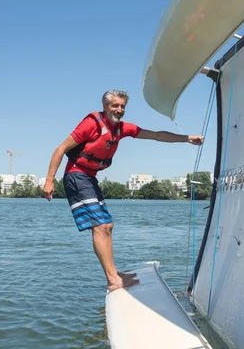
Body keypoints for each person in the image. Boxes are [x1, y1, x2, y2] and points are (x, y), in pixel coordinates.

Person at [42, 90, 204, 292]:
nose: (119, 110)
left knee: (107, 225)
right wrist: (50, 180)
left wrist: (187, 138)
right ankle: (113, 280)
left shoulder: (122, 129)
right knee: (100, 226)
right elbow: (60, 149)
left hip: (90, 178)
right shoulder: (91, 124)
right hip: (76, 176)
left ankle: (114, 274)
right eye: (115, 106)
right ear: (105, 106)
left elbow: (156, 136)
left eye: (122, 106)